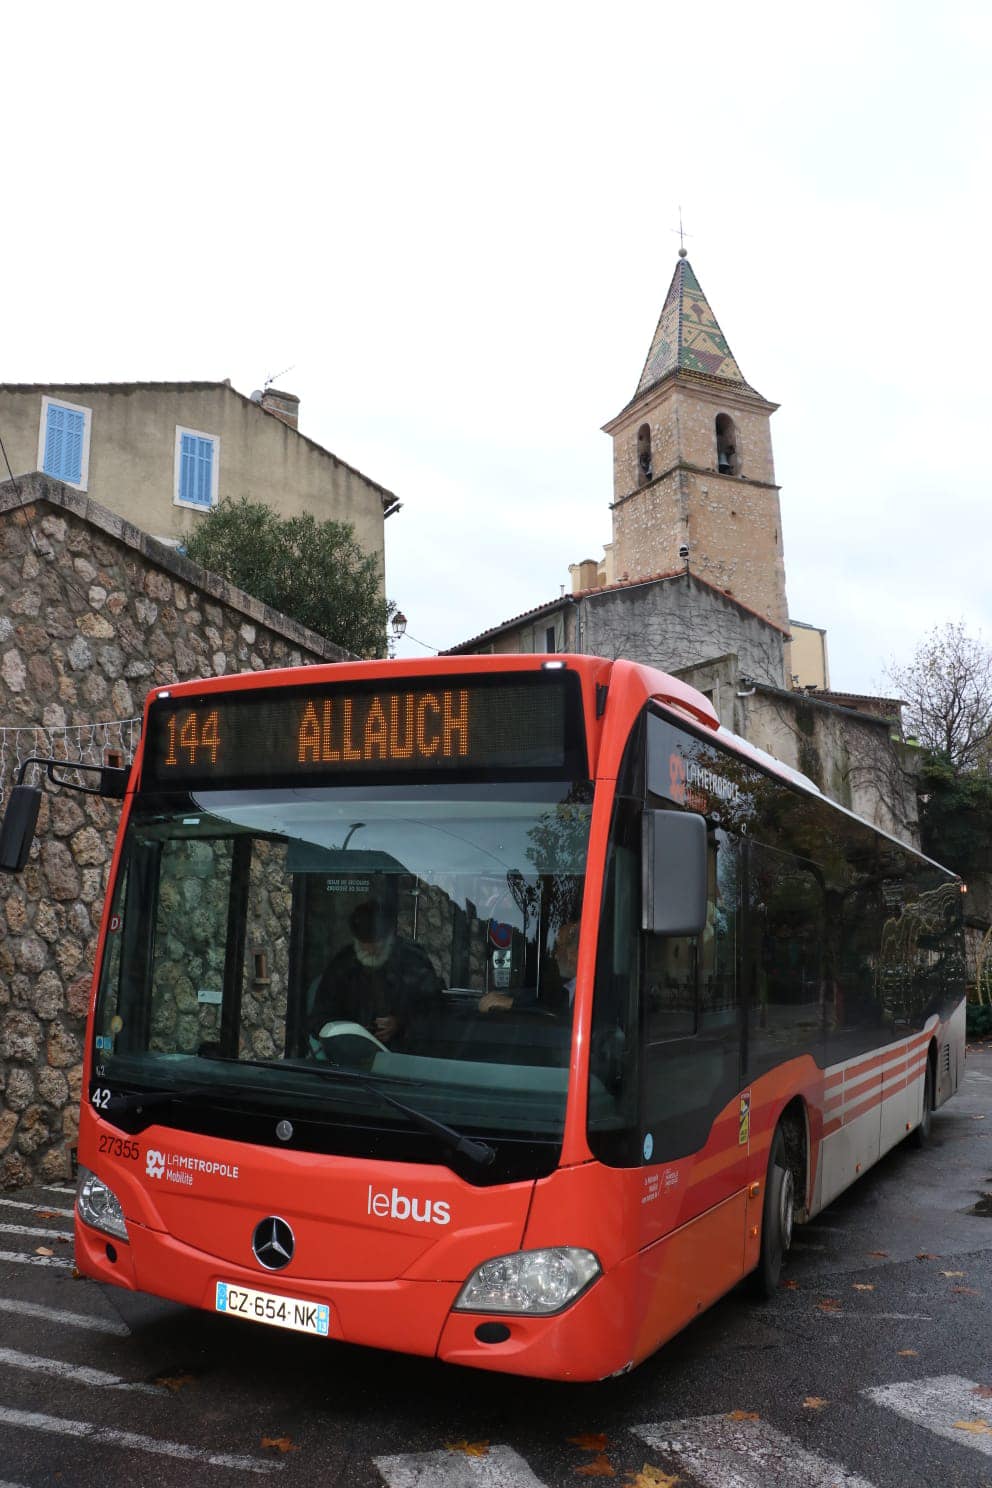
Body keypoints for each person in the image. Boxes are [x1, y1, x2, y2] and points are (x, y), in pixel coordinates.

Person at [308, 896, 443, 1052]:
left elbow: (433, 1011)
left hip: (403, 1057)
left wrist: (401, 1023)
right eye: (364, 947)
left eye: (377, 945)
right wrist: (350, 1031)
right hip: (352, 1057)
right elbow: (320, 1017)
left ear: (389, 939)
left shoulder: (413, 960)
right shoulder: (342, 964)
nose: (370, 952)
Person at [478, 919, 579, 1014]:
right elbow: (539, 998)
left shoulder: (588, 995)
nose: (556, 955)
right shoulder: (566, 986)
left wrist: (511, 1004)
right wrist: (509, 999)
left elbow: (559, 1018)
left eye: (561, 947)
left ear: (576, 952)